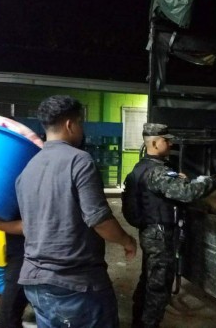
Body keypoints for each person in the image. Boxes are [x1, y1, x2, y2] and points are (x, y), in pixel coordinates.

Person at [15, 95, 137, 327]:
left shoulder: (27, 168)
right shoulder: (79, 161)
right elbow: (99, 219)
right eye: (81, 123)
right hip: (75, 284)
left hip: (35, 282)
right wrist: (127, 241)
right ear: (70, 125)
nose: (82, 129)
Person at [129, 123, 216, 328]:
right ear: (155, 143)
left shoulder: (143, 167)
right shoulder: (157, 172)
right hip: (160, 235)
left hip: (151, 231)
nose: (170, 143)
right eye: (167, 140)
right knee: (158, 287)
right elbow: (187, 193)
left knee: (149, 279)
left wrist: (177, 178)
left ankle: (138, 322)